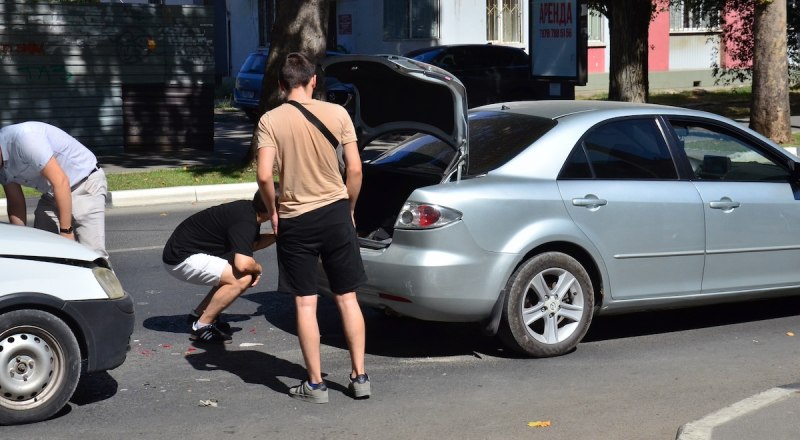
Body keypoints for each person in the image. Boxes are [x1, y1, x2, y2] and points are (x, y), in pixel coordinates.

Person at [256, 52, 370, 403]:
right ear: (314, 80)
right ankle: (360, 377)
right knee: (347, 298)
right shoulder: (337, 113)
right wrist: (348, 207)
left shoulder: (270, 120)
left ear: (280, 85)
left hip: (296, 219)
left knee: (306, 304)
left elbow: (264, 175)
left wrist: (273, 211)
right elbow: (355, 170)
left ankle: (316, 384)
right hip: (335, 213)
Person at [162, 191, 275, 344]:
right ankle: (202, 326)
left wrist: (277, 234)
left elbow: (251, 245)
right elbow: (243, 264)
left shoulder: (248, 210)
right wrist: (258, 269)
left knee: (233, 274)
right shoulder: (246, 222)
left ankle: (198, 315)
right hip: (180, 259)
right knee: (242, 278)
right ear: (272, 210)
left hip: (181, 251)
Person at [0, 121, 108, 258]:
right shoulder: (1, 165)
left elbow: (61, 181)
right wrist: (19, 241)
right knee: (45, 252)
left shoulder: (25, 139)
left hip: (84, 184)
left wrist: (66, 231)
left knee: (92, 257)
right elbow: (16, 202)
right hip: (53, 193)